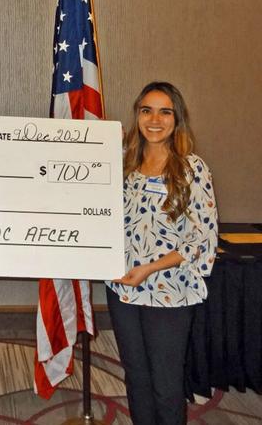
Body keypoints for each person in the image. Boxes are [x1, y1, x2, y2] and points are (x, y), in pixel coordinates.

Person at [106, 81, 218, 425]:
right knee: (136, 378)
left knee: (165, 386)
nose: (155, 119)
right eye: (146, 110)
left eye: (164, 111)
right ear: (137, 116)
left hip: (170, 291)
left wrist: (150, 268)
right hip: (123, 288)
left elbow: (203, 237)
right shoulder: (123, 165)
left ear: (177, 118)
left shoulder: (190, 168)